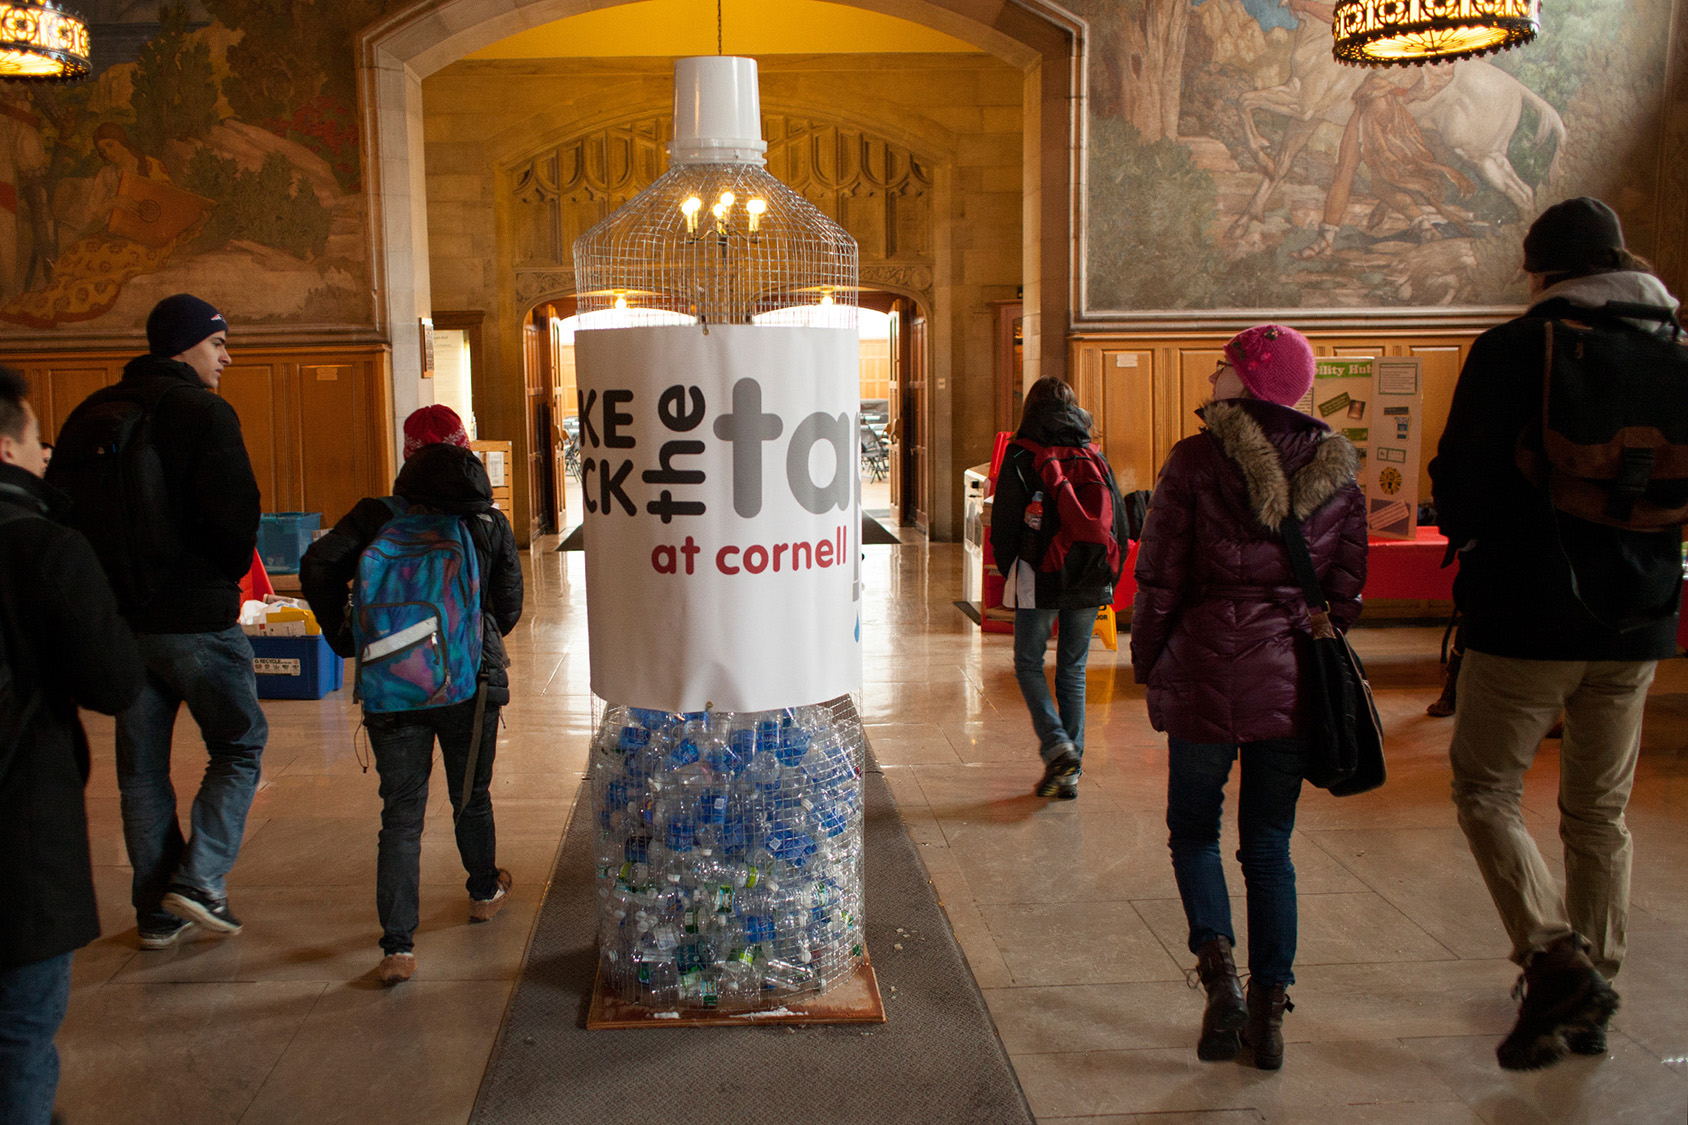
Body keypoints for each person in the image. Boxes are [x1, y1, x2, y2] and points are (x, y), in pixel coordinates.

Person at [1428, 197, 1683, 1070]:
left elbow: (1461, 477)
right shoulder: (1676, 348)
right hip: (1643, 615)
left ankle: (1554, 956)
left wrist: (1474, 539)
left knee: (1487, 790)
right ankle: (1594, 991)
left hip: (1527, 609)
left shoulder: (1512, 349)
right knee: (1600, 810)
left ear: (1542, 270)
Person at [1131, 325, 1367, 1070]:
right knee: (1269, 846)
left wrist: (1148, 661)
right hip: (1291, 678)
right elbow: (1347, 591)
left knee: (1194, 833)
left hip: (1204, 669)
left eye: (1223, 369)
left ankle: (1222, 982)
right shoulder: (1340, 470)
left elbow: (1159, 577)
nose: (1210, 380)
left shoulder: (1196, 460)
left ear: (1252, 381)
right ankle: (1269, 1015)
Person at [51, 293, 267, 948]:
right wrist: (212, 580)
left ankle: (156, 909)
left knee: (140, 766)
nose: (226, 356)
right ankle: (200, 880)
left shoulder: (88, 415)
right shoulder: (203, 412)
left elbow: (60, 521)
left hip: (121, 625)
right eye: (218, 343)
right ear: (183, 345)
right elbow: (237, 521)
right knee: (239, 743)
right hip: (196, 620)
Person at [300, 405, 524, 985]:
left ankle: (397, 946)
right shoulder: (488, 521)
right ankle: (482, 891)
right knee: (469, 795)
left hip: (392, 685)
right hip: (469, 683)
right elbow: (511, 607)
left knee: (400, 815)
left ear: (408, 455)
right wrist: (465, 628)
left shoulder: (377, 515)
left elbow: (318, 563)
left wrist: (346, 637)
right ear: (464, 448)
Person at [0, 367, 143, 1124]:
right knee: (20, 1033)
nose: (44, 454)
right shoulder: (44, 546)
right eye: (33, 440)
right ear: (6, 444)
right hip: (19, 829)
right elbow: (115, 681)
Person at [990, 376, 1127, 800]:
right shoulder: (1092, 452)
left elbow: (1005, 522)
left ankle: (1057, 747)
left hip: (1041, 574)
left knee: (1029, 664)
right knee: (1072, 670)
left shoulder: (1021, 452)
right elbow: (1118, 519)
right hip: (1089, 575)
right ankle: (1069, 771)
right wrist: (1110, 575)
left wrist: (1010, 568)